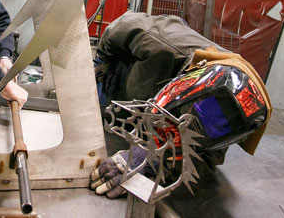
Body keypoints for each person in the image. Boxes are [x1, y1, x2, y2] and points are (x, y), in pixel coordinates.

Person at [90, 12, 271, 198]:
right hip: (113, 80)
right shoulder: (163, 42)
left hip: (136, 119)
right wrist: (101, 62)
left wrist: (152, 160)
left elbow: (201, 160)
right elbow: (122, 25)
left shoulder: (224, 124)